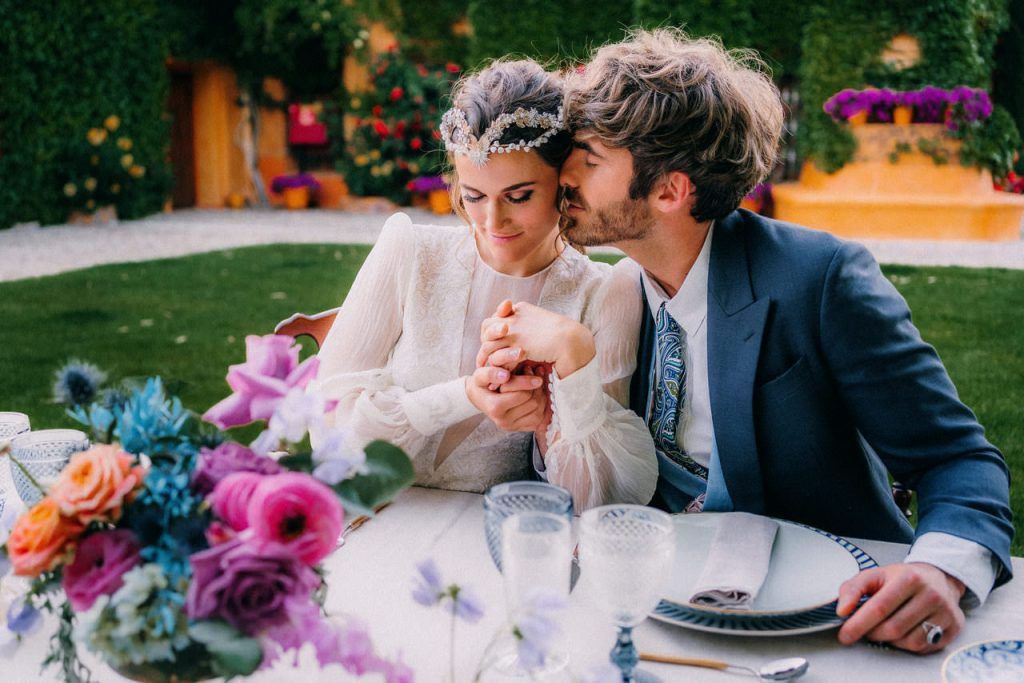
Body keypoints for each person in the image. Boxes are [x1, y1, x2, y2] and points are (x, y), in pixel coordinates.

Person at [478, 29, 1013, 653]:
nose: (562, 173)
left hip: (829, 616)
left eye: (589, 159)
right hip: (655, 607)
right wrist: (548, 418)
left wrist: (941, 571)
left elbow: (957, 458)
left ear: (671, 191)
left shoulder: (819, 280)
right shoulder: (611, 292)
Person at [309, 59, 658, 510]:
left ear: (564, 182)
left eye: (518, 197)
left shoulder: (606, 292)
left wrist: (558, 401)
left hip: (486, 541)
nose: (493, 222)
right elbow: (327, 425)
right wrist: (464, 395)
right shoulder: (410, 250)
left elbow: (600, 504)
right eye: (474, 197)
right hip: (371, 518)